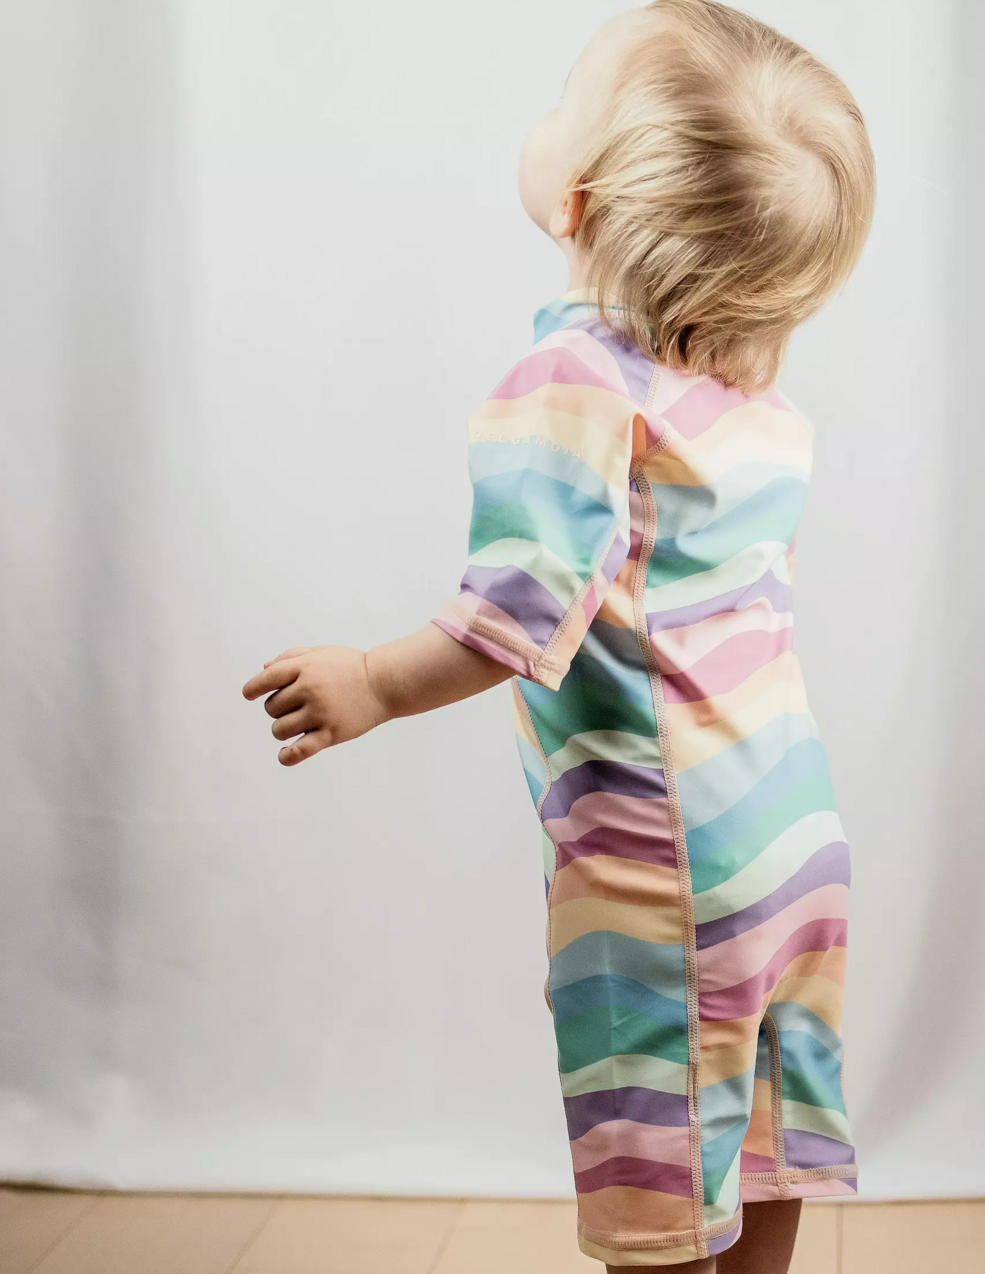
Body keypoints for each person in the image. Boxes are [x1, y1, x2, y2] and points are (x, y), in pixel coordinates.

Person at [243, 2, 874, 1268]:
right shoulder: (753, 402)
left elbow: (520, 607)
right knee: (761, 1117)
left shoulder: (572, 381)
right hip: (791, 831)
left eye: (561, 103)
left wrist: (374, 680)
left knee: (655, 1160)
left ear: (576, 199)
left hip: (663, 856)